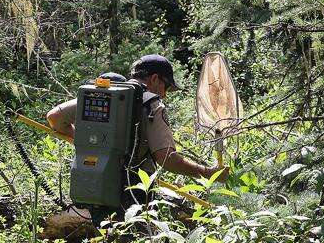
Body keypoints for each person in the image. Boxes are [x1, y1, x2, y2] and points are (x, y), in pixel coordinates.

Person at [46, 55, 227, 223]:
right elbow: (166, 159)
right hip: (133, 192)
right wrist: (208, 172)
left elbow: (54, 117)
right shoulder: (151, 104)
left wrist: (89, 144)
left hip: (93, 186)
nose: (164, 94)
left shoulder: (102, 93)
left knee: (107, 240)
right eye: (166, 87)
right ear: (155, 79)